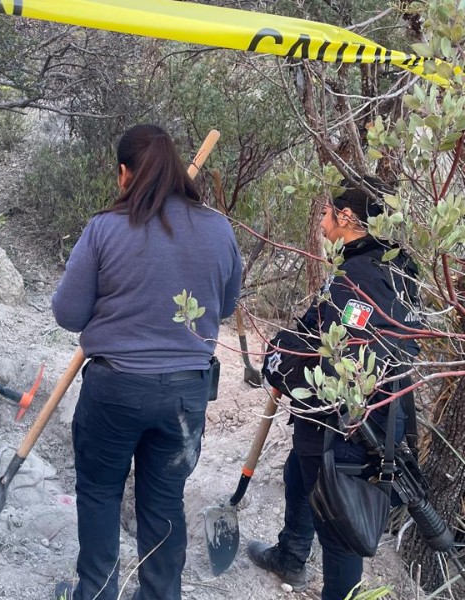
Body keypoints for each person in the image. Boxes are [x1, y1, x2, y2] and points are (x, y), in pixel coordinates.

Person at [51, 124, 242, 600]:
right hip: (186, 394)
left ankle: (95, 594)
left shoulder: (106, 228)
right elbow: (226, 305)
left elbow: (68, 312)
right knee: (163, 501)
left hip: (115, 390)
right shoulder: (218, 228)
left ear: (124, 173)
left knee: (99, 494)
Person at [251, 176, 421, 600]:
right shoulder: (390, 265)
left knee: (339, 534)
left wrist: (278, 360)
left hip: (347, 428)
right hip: (375, 417)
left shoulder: (362, 276)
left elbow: (339, 362)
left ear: (347, 217)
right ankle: (291, 553)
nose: (322, 220)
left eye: (327, 212)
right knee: (297, 473)